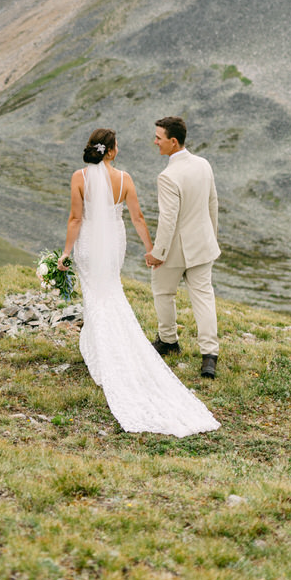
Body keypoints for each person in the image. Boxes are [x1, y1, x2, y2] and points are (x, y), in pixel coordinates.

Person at [59, 127, 218, 437]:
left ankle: (104, 354)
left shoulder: (79, 177)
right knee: (110, 293)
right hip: (115, 244)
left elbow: (75, 219)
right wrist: (151, 250)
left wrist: (66, 253)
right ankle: (103, 346)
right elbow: (138, 218)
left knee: (95, 295)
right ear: (113, 151)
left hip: (90, 244)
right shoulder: (125, 179)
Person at [146, 116, 220, 379]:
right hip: (203, 245)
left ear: (173, 141)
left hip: (176, 249)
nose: (155, 141)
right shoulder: (203, 164)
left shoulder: (167, 176)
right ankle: (209, 356)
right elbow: (213, 203)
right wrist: (212, 237)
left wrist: (157, 253)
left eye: (159, 137)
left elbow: (168, 220)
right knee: (204, 297)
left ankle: (168, 341)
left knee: (163, 292)